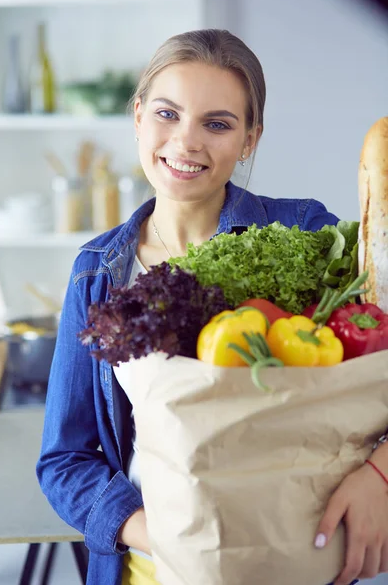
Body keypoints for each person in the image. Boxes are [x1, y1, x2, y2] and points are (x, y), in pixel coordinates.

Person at [36, 29, 388, 585]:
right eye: (167, 114)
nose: (186, 142)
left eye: (218, 124)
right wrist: (173, 539)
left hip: (291, 556)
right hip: (152, 571)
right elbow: (65, 459)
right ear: (137, 117)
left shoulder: (304, 233)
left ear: (250, 139)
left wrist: (380, 474)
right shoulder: (97, 273)